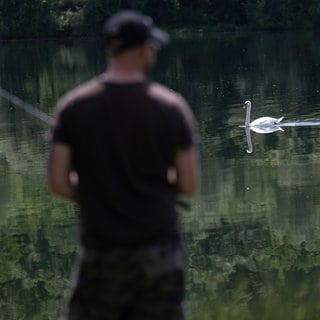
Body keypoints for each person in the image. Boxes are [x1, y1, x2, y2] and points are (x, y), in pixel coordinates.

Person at [48, 10, 200, 320]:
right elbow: (189, 183)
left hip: (103, 251)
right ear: (144, 49)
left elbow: (58, 182)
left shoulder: (73, 107)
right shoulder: (171, 108)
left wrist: (97, 190)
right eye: (153, 47)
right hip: (159, 252)